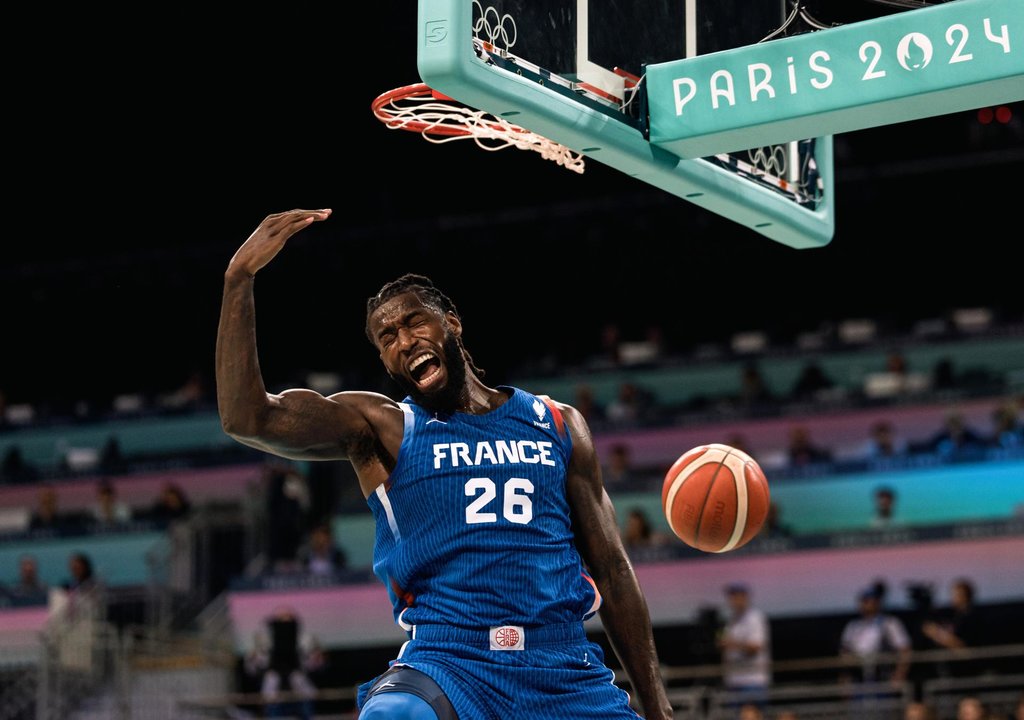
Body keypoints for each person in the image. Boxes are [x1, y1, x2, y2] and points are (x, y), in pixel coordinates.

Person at [215, 209, 673, 720]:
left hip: (562, 666)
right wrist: (239, 280)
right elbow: (246, 418)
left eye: (414, 322)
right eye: (387, 338)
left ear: (451, 322)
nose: (404, 340)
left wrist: (658, 707)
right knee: (392, 716)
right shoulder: (382, 428)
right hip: (448, 661)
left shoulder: (557, 423)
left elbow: (611, 569)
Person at [245, 605, 325, 720]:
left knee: (306, 711)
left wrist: (317, 659)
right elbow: (251, 669)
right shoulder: (263, 641)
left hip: (298, 684)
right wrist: (254, 659)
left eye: (288, 621)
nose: (284, 626)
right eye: (280, 621)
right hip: (273, 686)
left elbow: (315, 666)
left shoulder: (306, 640)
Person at [839, 585, 911, 686]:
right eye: (863, 601)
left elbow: (904, 649)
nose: (865, 604)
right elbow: (845, 653)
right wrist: (845, 680)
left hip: (882, 677)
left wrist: (899, 675)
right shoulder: (853, 626)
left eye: (868, 601)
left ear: (877, 603)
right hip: (859, 678)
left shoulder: (889, 623)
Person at [718, 583, 771, 714]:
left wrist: (732, 644)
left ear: (745, 597)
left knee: (750, 714)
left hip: (752, 679)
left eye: (737, 597)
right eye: (731, 597)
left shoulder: (755, 618)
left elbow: (756, 646)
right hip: (734, 679)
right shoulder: (731, 621)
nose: (733, 601)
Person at [921, 578, 985, 677]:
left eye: (955, 595)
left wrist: (936, 633)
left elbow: (962, 646)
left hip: (968, 670)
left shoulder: (972, 617)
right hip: (954, 669)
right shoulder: (955, 616)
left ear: (964, 596)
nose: (952, 598)